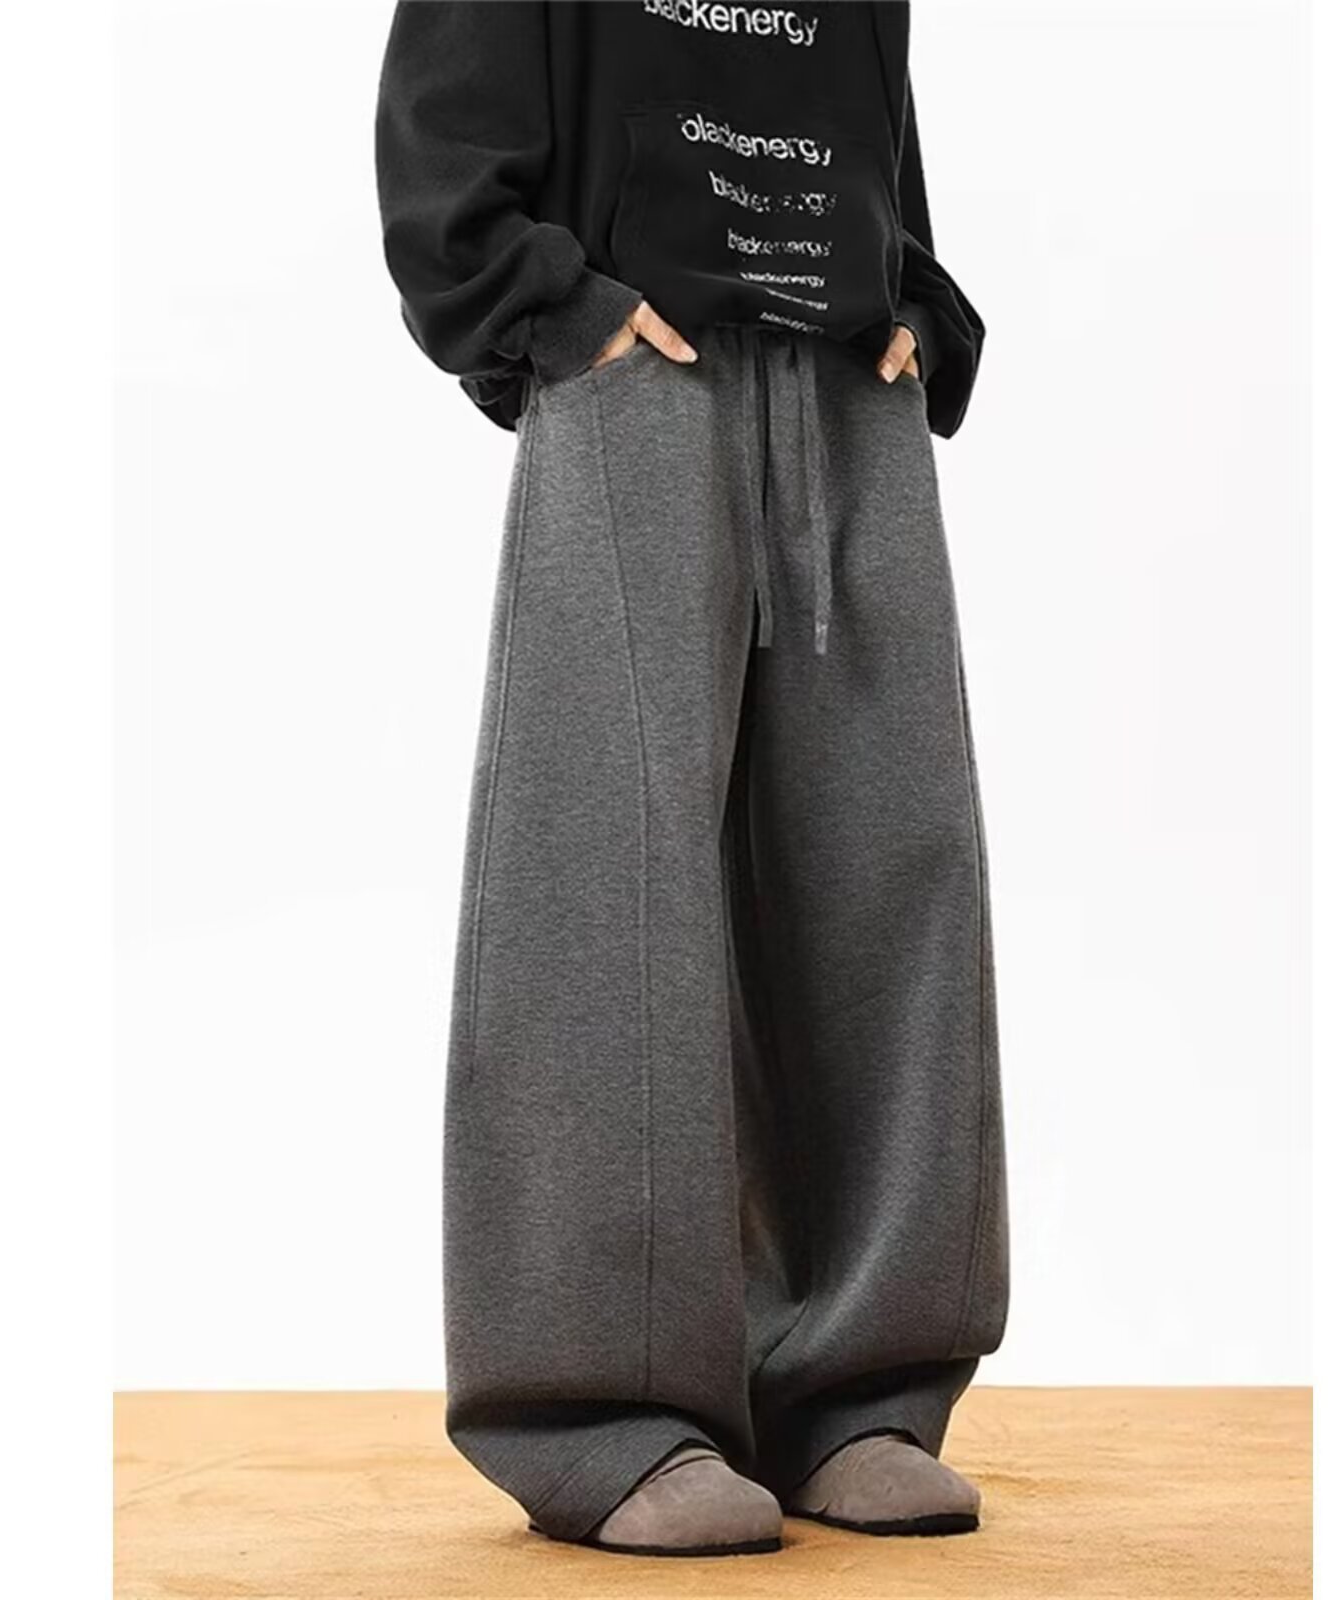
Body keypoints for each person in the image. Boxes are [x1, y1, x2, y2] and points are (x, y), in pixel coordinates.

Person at [375, 0, 1007, 1558]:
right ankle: (599, 1413)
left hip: (846, 378)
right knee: (606, 875)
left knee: (893, 870)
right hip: (636, 370)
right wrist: (549, 305)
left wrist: (911, 295)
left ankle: (858, 1389)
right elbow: (443, 133)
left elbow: (867, 121)